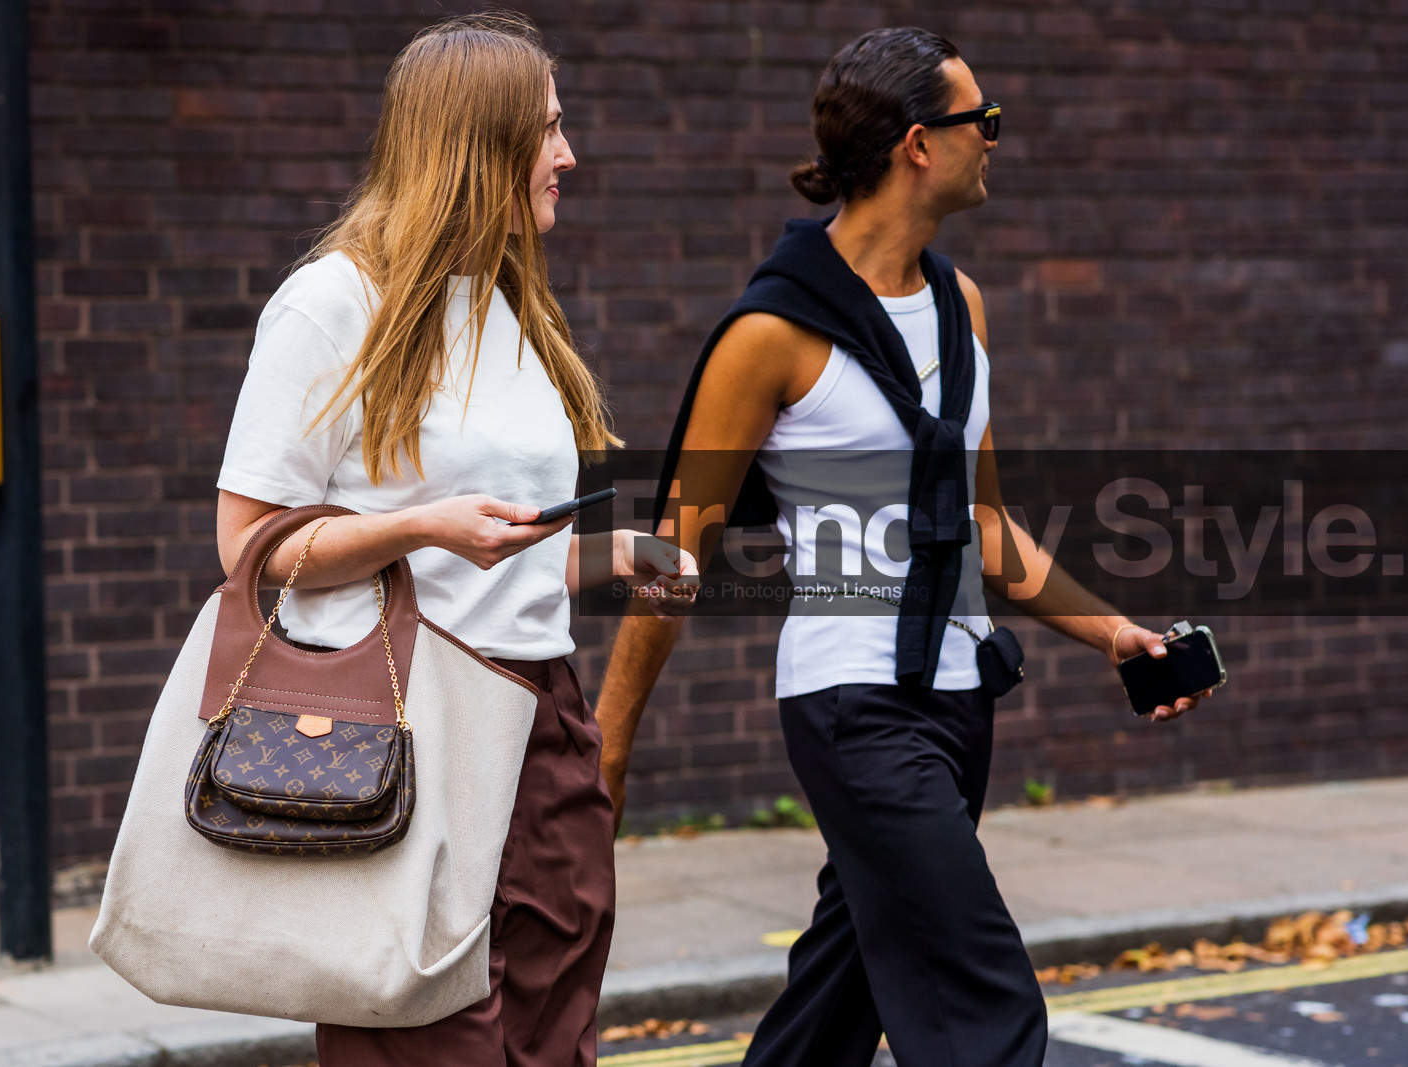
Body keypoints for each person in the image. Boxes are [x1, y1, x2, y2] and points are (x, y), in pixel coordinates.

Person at [593, 27, 1212, 1067]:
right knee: (985, 1007)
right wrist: (607, 746)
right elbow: (676, 547)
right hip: (854, 708)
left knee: (836, 1004)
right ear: (919, 144)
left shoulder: (958, 305)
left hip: (956, 701)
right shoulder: (771, 334)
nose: (998, 141)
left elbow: (984, 525)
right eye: (987, 121)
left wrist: (1113, 634)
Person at [212, 14, 690, 1066]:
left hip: (543, 718)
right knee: (429, 1040)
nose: (569, 155)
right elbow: (247, 543)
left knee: (555, 1022)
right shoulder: (335, 303)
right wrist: (418, 527)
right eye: (548, 131)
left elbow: (504, 544)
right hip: (406, 721)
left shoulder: (516, 307)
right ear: (478, 143)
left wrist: (611, 558)